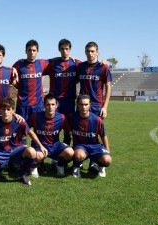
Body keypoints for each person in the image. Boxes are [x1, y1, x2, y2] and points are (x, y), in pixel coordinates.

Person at [0, 97, 47, 185]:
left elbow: (30, 132)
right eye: (3, 109)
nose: (6, 112)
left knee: (32, 152)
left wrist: (41, 146)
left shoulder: (20, 121)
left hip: (15, 149)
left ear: (13, 110)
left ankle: (22, 174)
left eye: (8, 109)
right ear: (0, 110)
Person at [76, 41, 112, 171]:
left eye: (92, 51)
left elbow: (108, 88)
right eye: (87, 51)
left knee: (94, 134)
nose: (90, 54)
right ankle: (78, 159)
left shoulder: (103, 67)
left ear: (97, 52)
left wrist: (105, 106)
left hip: (97, 106)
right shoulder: (80, 66)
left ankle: (93, 162)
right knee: (80, 132)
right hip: (82, 104)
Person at [27, 93, 74, 177]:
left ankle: (59, 164)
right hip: (39, 146)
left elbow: (67, 132)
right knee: (38, 156)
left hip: (55, 145)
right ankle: (34, 166)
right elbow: (25, 128)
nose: (50, 107)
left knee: (70, 152)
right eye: (48, 104)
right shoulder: (35, 116)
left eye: (53, 104)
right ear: (44, 105)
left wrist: (66, 143)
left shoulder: (62, 117)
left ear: (56, 105)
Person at [67, 94, 112, 178]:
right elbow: (67, 133)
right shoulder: (72, 117)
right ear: (77, 105)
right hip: (80, 146)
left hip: (95, 146)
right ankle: (76, 167)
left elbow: (103, 136)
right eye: (81, 104)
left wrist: (107, 151)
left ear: (90, 105)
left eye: (86, 104)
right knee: (79, 155)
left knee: (107, 160)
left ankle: (101, 166)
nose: (83, 107)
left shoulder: (97, 120)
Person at [12, 39, 49, 122]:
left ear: (37, 51)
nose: (31, 52)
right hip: (22, 104)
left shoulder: (42, 63)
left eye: (34, 50)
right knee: (21, 130)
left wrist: (69, 57)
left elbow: (56, 60)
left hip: (38, 104)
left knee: (38, 130)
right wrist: (18, 86)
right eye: (29, 50)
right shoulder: (19, 64)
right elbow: (10, 76)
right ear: (25, 51)